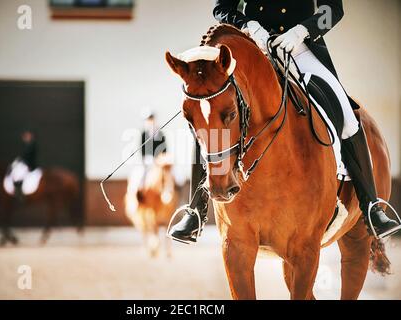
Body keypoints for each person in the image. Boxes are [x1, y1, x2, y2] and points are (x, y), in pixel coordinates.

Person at [169, 0, 400, 242]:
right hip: (251, 47)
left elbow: (333, 8)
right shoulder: (249, 33)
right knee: (211, 110)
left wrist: (302, 31)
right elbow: (222, 7)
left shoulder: (301, 37)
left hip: (300, 47)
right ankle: (196, 209)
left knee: (346, 112)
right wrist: (249, 25)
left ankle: (371, 205)